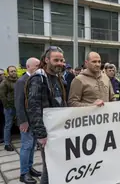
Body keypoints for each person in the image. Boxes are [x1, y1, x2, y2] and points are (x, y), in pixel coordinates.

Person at [25, 46, 67, 184]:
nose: (60, 63)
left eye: (61, 60)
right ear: (46, 60)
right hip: (47, 132)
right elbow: (33, 106)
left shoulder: (57, 78)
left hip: (58, 129)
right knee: (49, 168)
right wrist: (41, 134)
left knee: (56, 166)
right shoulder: (39, 78)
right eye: (56, 60)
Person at [14, 57, 41, 184]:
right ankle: (23, 173)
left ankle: (29, 168)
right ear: (28, 66)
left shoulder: (36, 79)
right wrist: (23, 121)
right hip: (27, 121)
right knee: (26, 146)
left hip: (35, 120)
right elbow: (18, 103)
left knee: (32, 146)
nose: (39, 67)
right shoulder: (22, 81)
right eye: (36, 65)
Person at [0, 66, 18, 151]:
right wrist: (7, 106)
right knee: (8, 125)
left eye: (15, 71)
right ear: (8, 73)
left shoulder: (19, 80)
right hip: (9, 108)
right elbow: (2, 96)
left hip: (18, 106)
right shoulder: (4, 82)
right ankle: (7, 144)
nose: (14, 72)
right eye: (12, 71)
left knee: (22, 123)